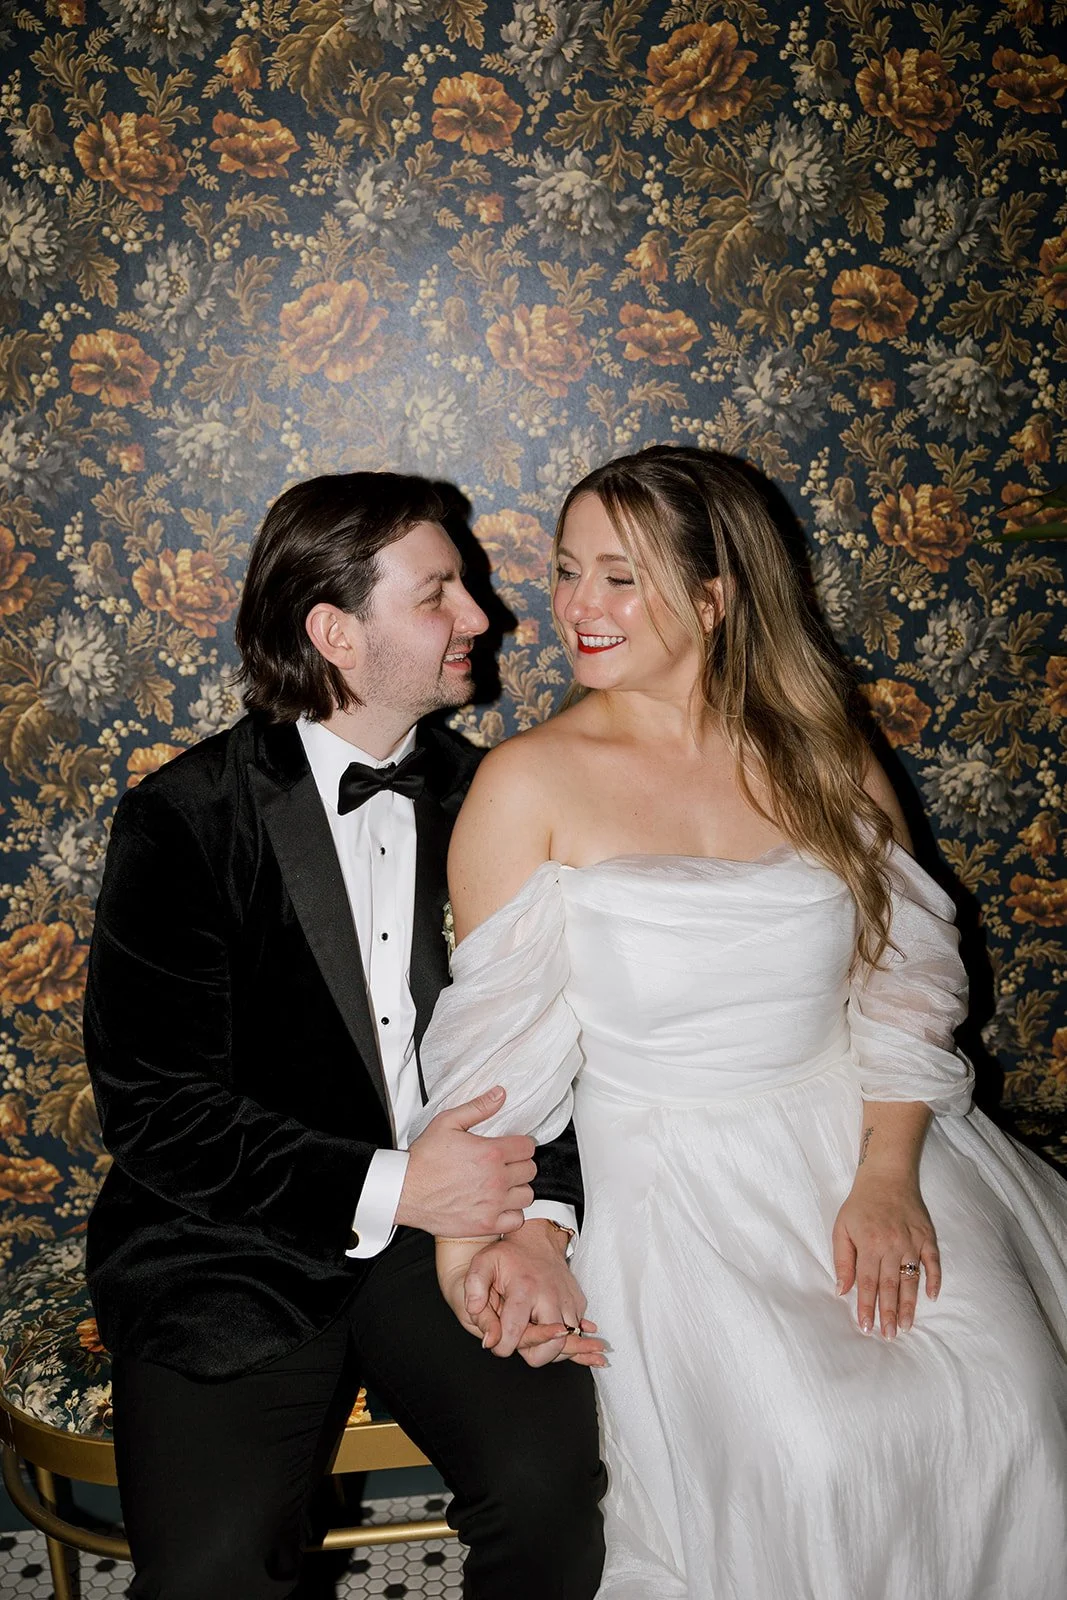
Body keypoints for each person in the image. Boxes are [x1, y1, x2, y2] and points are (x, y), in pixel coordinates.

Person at [415, 446, 1067, 1599]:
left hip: (865, 1130)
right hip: (671, 1176)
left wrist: (886, 1175)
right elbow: (495, 1070)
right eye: (568, 571)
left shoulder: (821, 751)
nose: (574, 606)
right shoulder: (526, 783)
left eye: (619, 577)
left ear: (714, 598)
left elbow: (904, 984)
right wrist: (491, 1242)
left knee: (1009, 1399)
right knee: (814, 1449)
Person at [83, 471, 606, 1600]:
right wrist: (391, 1185)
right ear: (335, 632)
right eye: (437, 595)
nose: (481, 616)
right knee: (210, 1569)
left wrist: (542, 1224)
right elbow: (158, 1110)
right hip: (231, 1243)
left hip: (461, 1236)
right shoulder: (183, 820)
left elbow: (566, 1044)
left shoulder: (497, 798)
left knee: (555, 1503)